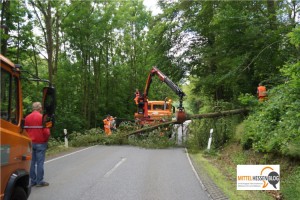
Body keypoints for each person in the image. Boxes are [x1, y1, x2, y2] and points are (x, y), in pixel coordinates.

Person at [25, 102, 50, 187]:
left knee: (32, 162)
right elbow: (46, 131)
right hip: (41, 142)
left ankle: (33, 181)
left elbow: (25, 131)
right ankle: (40, 181)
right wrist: (46, 140)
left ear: (33, 108)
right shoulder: (42, 117)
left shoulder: (27, 118)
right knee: (40, 162)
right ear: (40, 108)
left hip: (30, 143)